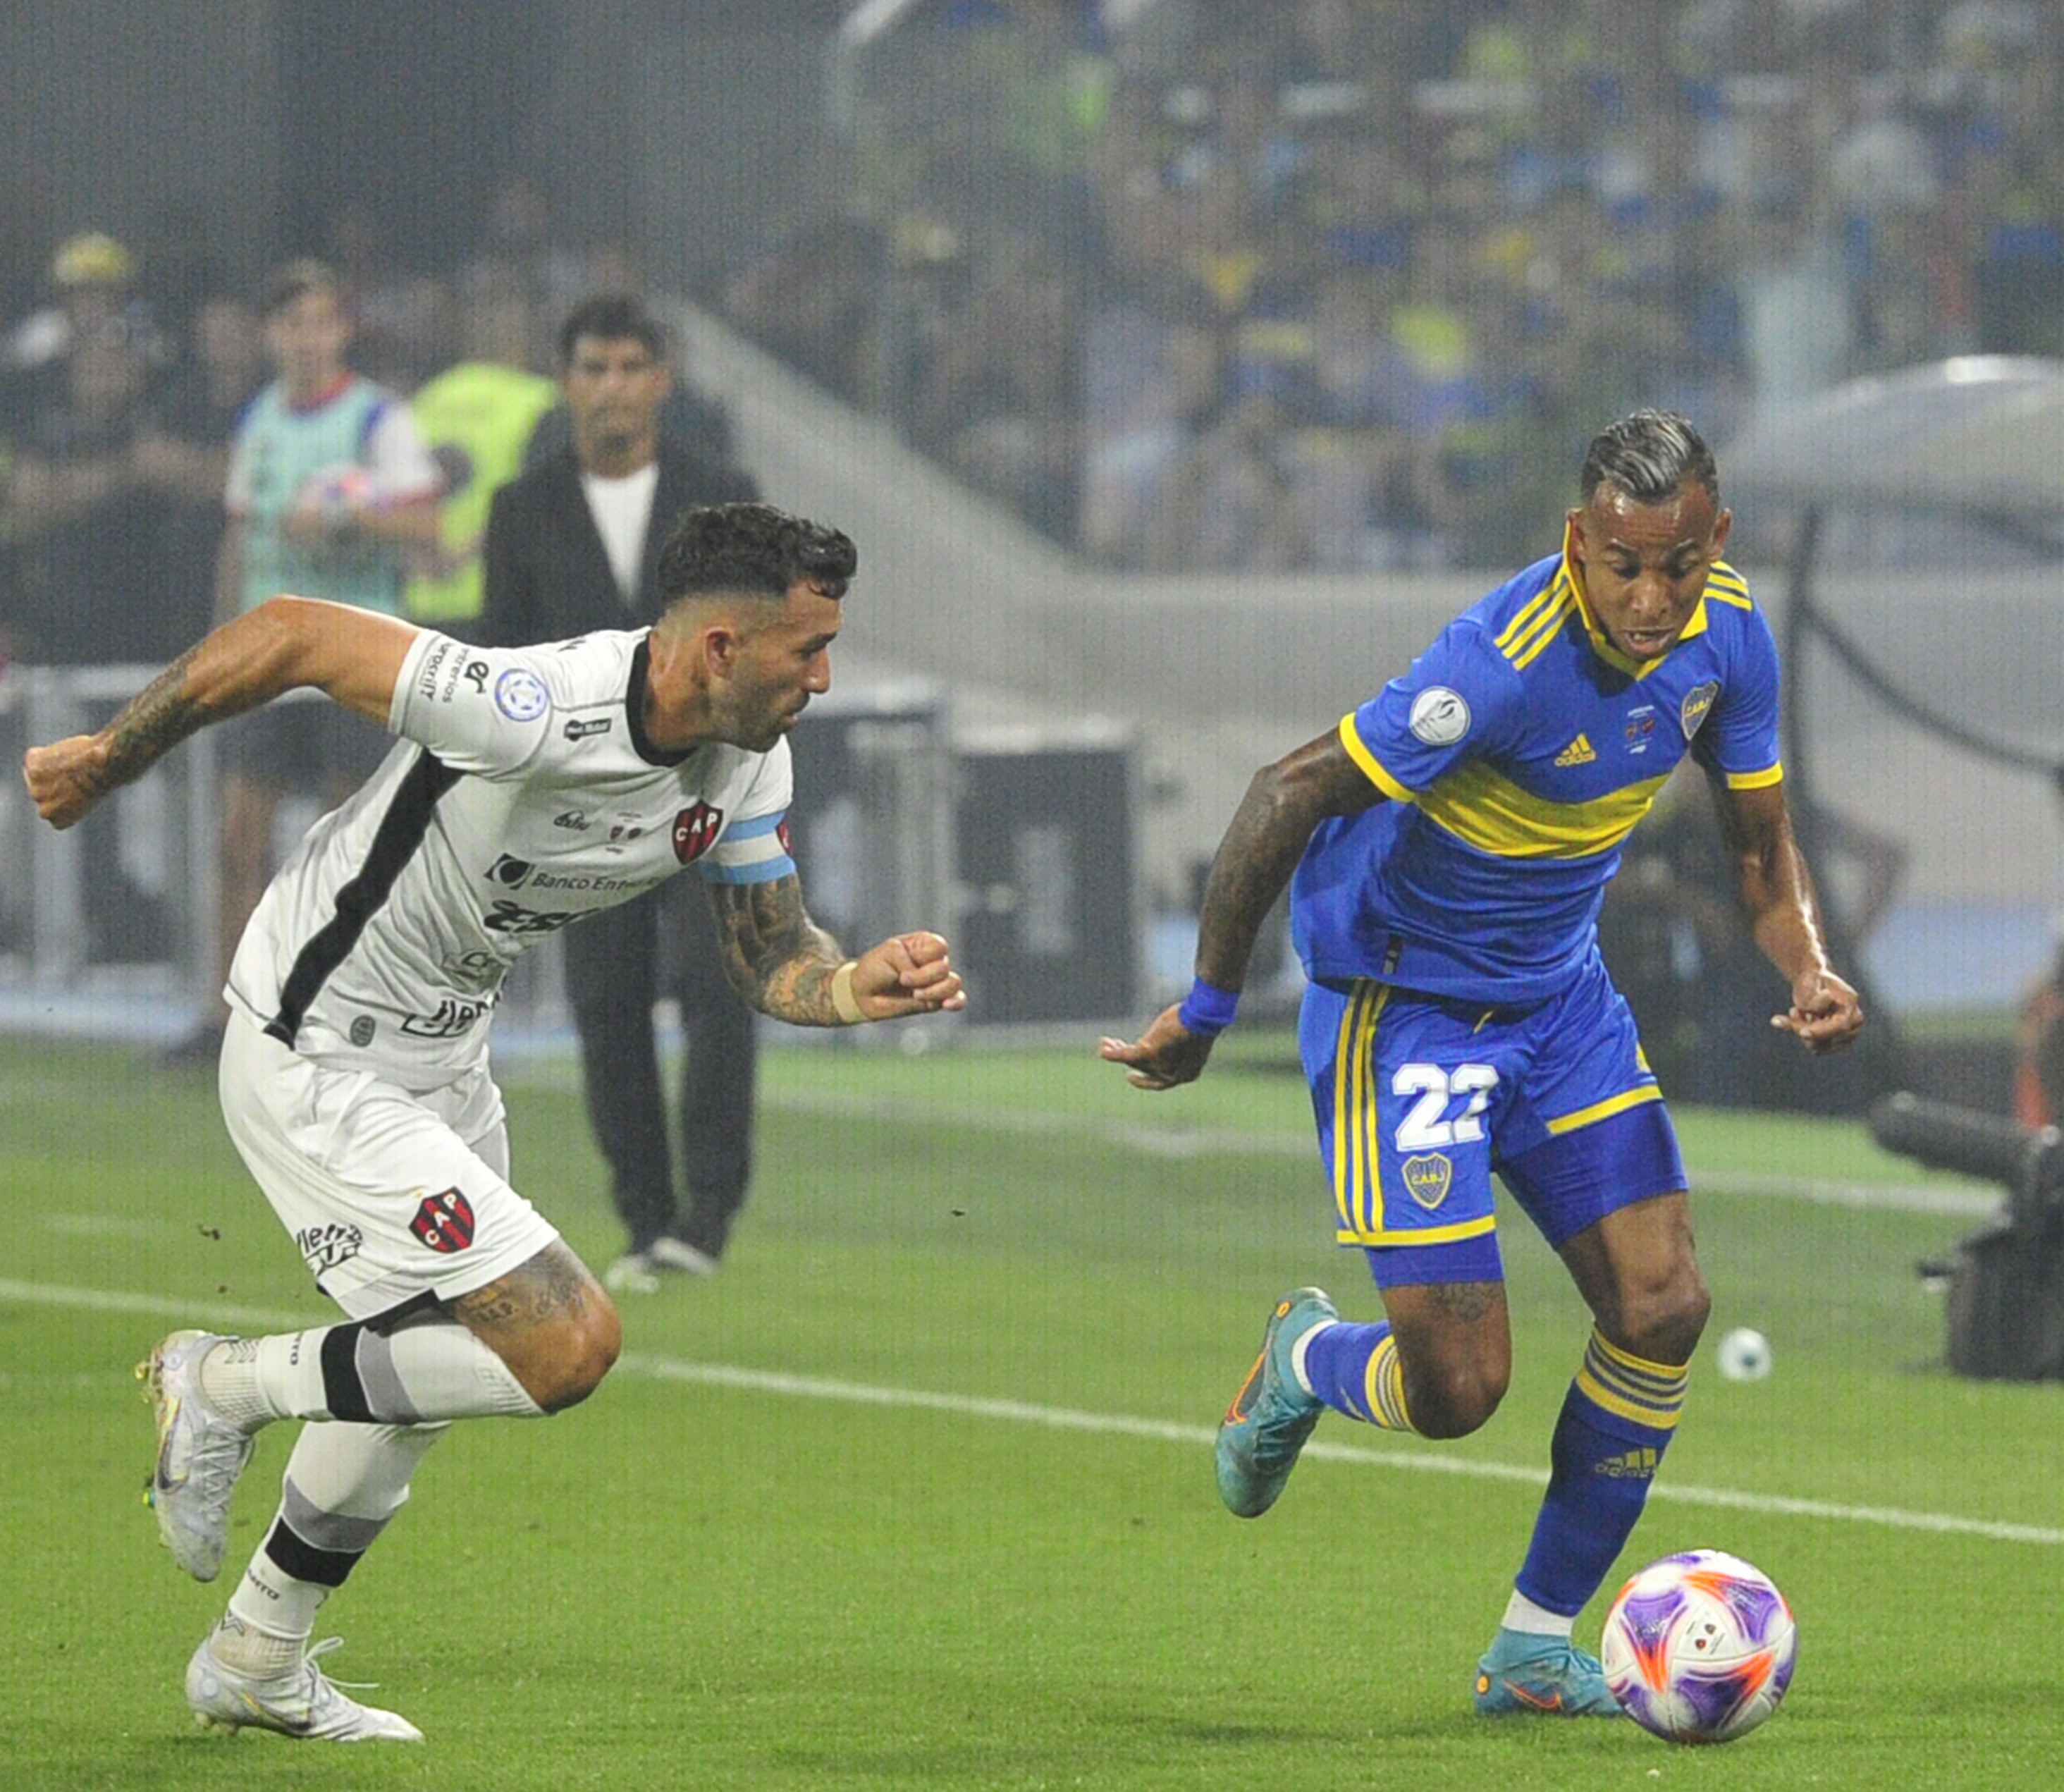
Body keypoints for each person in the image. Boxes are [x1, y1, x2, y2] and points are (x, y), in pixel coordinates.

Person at [22, 500, 966, 1743]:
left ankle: (258, 1651)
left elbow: (769, 948)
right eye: (809, 650)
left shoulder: (749, 755)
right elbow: (296, 629)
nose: (823, 679)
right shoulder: (534, 706)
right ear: (720, 648)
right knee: (563, 1344)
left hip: (445, 1060)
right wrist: (109, 755)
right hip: (318, 1044)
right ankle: (223, 1380)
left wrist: (849, 986)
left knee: (417, 1374)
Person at [1100, 410, 1863, 1719]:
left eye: (1677, 565)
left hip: (1556, 1001)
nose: (1649, 597)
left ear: (1717, 541)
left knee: (1663, 1304)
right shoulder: (1498, 665)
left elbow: (1757, 845)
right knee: (1458, 1390)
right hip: (1403, 1007)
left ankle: (1530, 1646)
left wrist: (1806, 962)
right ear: (1576, 541)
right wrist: (1207, 1005)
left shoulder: (1730, 634)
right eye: (1623, 565)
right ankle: (1304, 1359)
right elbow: (1284, 791)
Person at [481, 295, 763, 1290]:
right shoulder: (522, 509)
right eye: (594, 368)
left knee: (719, 989)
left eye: (631, 367)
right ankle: (645, 1218)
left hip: (708, 788)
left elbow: (761, 639)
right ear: (566, 383)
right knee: (607, 1004)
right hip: (588, 802)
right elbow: (506, 661)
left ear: (662, 381)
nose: (613, 388)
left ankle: (708, 1214)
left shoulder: (722, 497)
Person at [166, 259, 444, 1060]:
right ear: (271, 335)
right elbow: (241, 537)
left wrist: (346, 521)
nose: (306, 339)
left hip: (353, 657)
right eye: (292, 324)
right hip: (270, 659)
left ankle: (343, 1018)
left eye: (321, 322)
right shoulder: (259, 419)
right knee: (237, 837)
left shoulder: (378, 419)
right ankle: (228, 1021)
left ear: (342, 330)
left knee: (347, 845)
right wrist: (216, 653)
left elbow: (427, 527)